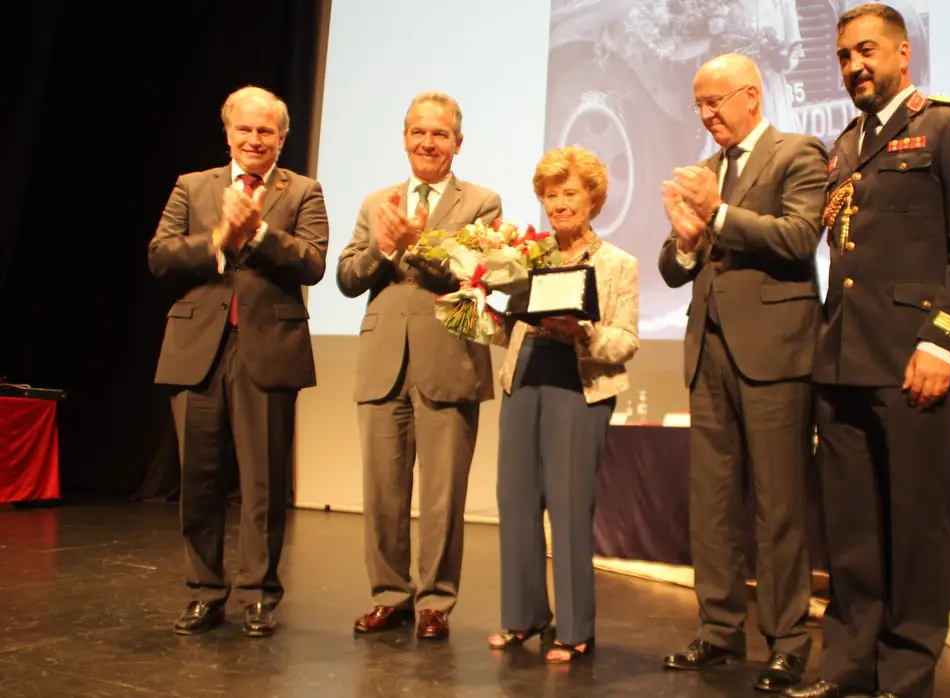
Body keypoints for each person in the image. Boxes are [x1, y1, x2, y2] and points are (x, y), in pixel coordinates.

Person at [788, 4, 950, 697]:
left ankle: (906, 677)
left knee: (914, 531)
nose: (855, 67)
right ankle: (848, 669)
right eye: (846, 56)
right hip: (845, 359)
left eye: (868, 52)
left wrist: (942, 343)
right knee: (851, 532)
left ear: (904, 53)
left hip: (915, 358)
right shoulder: (846, 144)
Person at [657, 53, 829, 693]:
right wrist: (685, 239)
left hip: (777, 353)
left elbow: (799, 236)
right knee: (713, 503)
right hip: (709, 352)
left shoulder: (797, 153)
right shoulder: (704, 171)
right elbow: (674, 265)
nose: (705, 115)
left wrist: (721, 216)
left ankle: (786, 641)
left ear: (751, 96)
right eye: (699, 104)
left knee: (780, 505)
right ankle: (718, 629)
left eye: (714, 102)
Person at [148, 85, 329, 638]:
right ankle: (205, 591)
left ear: (282, 138)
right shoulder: (193, 186)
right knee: (199, 479)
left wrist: (262, 233)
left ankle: (257, 594)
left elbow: (314, 262)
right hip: (197, 348)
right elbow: (160, 255)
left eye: (266, 131)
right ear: (228, 133)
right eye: (245, 130)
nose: (255, 140)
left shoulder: (302, 190)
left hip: (267, 349)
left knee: (263, 483)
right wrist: (220, 240)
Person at [337, 92, 501, 640]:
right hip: (383, 359)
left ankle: (435, 602)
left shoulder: (482, 201)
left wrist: (418, 243)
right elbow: (347, 277)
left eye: (439, 134)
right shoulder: (375, 202)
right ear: (404, 138)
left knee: (442, 495)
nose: (427, 143)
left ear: (458, 142)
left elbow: (477, 271)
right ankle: (389, 595)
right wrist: (384, 249)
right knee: (382, 489)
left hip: (449, 356)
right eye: (417, 133)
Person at [487, 145, 639, 663]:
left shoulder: (618, 263)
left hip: (578, 387)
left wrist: (585, 332)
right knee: (516, 501)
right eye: (551, 196)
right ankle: (523, 616)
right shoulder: (528, 258)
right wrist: (469, 312)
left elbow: (626, 341)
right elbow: (510, 328)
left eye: (569, 193)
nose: (559, 205)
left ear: (593, 198)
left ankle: (575, 628)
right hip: (523, 380)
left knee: (570, 508)